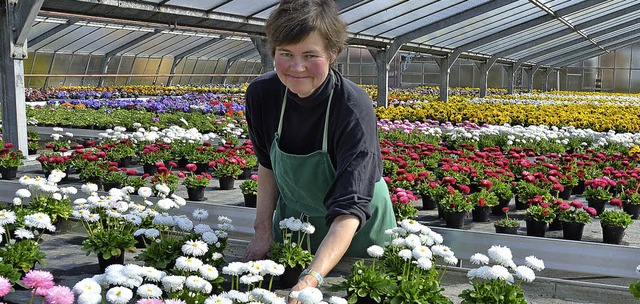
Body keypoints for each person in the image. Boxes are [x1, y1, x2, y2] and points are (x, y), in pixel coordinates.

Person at [243, 0, 397, 298]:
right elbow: (267, 165)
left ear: (333, 53)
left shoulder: (352, 107)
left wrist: (312, 276)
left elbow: (350, 206)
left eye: (310, 55)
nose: (296, 67)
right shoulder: (263, 95)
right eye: (286, 54)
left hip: (357, 227)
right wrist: (262, 232)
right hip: (296, 222)